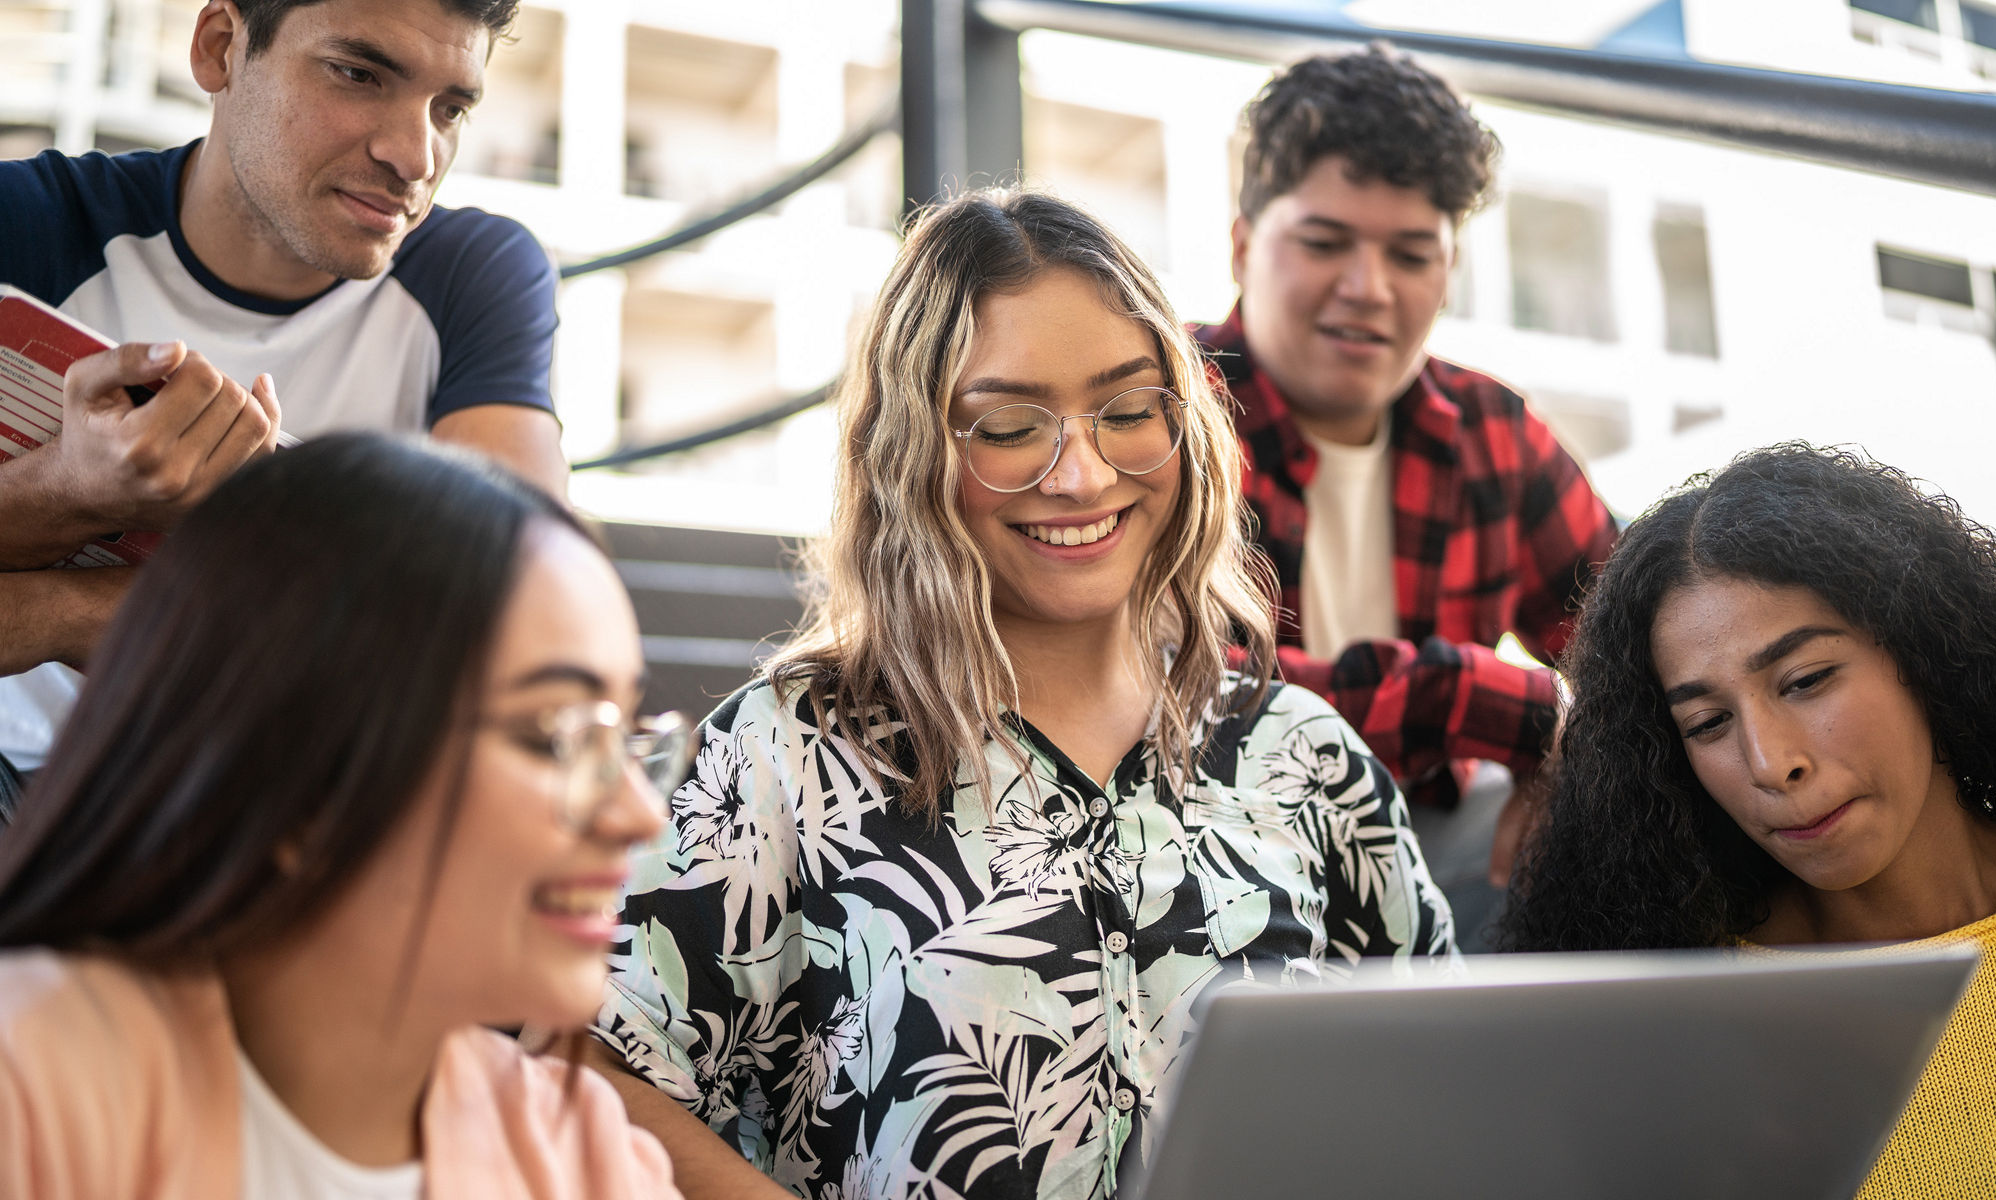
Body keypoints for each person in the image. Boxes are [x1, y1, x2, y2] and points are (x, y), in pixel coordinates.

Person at [584, 190, 1456, 1200]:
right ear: (909, 453)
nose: (1081, 475)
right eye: (1006, 427)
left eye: (1128, 412)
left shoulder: (1303, 753)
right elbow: (594, 1071)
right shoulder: (787, 752)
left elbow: (1447, 1084)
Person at [0, 434, 686, 1198]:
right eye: (559, 737)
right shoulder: (31, 1092)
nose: (640, 813)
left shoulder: (583, 1155)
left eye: (630, 738)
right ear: (298, 777)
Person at [0, 0, 566, 787]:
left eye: (451, 108)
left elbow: (529, 626)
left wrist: (57, 614)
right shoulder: (25, 225)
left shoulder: (475, 272)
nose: (416, 155)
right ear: (222, 47)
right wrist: (73, 490)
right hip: (30, 781)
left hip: (304, 800)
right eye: (358, 73)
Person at [1498, 444, 1996, 1197]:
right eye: (1706, 724)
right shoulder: (1670, 1023)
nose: (1770, 762)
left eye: (1805, 681)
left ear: (1925, 646)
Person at [1192, 46, 1619, 924]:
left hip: (1427, 849)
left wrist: (1575, 751)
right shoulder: (1158, 412)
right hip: (1204, 847)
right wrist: (1493, 703)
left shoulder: (1492, 435)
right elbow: (1187, 687)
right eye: (1324, 243)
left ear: (1447, 272)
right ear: (1241, 247)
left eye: (1412, 254)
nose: (1368, 289)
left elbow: (1648, 643)